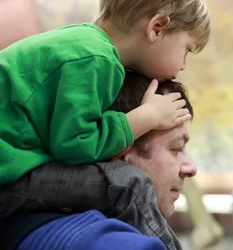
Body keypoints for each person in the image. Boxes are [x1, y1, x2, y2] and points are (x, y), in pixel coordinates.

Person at [0, 0, 211, 249]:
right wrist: (146, 117)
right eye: (187, 49)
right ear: (158, 27)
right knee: (128, 184)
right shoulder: (96, 60)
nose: (184, 63)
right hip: (8, 180)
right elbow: (75, 145)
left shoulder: (80, 44)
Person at [0, 72, 198, 250]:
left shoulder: (19, 226)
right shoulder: (107, 244)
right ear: (120, 150)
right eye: (176, 149)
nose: (192, 168)